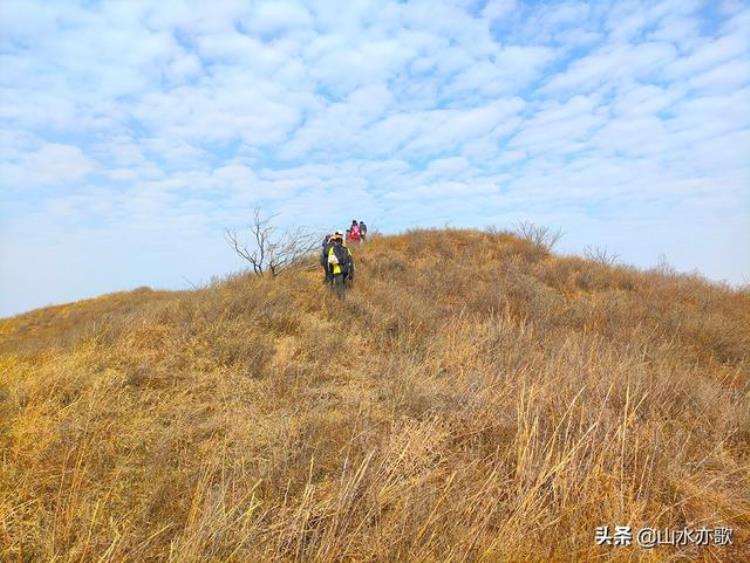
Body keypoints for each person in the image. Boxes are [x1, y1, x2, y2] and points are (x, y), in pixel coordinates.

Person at [326, 232, 354, 298]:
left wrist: (330, 272)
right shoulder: (347, 249)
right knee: (343, 284)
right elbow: (351, 261)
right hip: (346, 270)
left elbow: (330, 262)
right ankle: (343, 299)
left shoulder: (332, 249)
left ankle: (341, 301)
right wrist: (351, 272)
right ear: (341, 242)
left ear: (335, 242)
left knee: (339, 286)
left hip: (337, 270)